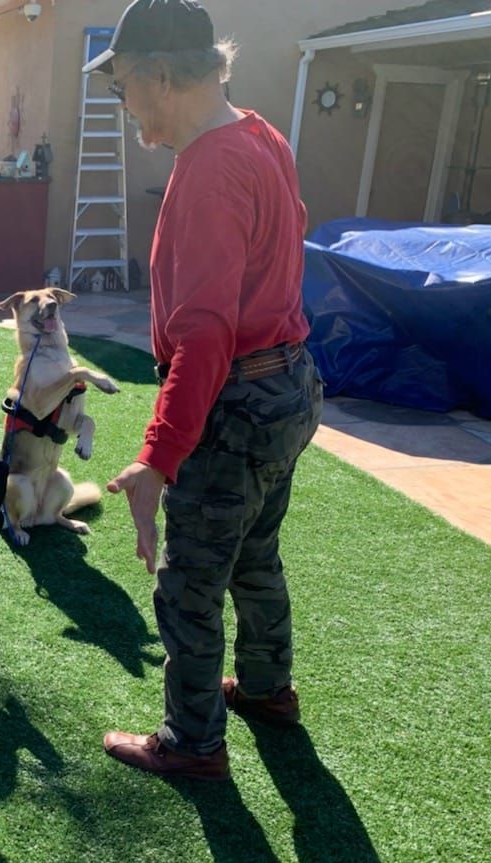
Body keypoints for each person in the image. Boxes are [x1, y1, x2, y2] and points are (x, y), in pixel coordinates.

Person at [89, 0, 324, 782]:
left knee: (190, 581)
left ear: (160, 74)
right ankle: (266, 688)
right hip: (289, 385)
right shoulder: (259, 133)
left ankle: (192, 741)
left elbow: (204, 338)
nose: (122, 105)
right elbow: (288, 232)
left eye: (122, 85)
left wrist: (158, 462)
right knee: (256, 551)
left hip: (238, 403)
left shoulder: (207, 171)